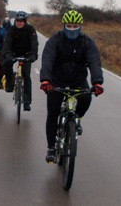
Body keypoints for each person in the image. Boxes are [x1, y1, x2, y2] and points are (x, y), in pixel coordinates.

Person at [39, 9, 104, 163]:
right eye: (69, 26)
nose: (72, 29)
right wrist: (45, 80)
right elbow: (47, 59)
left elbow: (94, 62)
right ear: (64, 26)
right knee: (53, 112)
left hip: (77, 79)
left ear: (80, 27)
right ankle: (51, 148)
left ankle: (77, 118)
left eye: (75, 26)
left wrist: (97, 82)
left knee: (86, 99)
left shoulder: (86, 42)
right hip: (57, 80)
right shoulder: (56, 40)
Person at [0, 11, 39, 111]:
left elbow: (34, 43)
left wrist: (33, 55)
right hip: (14, 52)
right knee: (6, 64)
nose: (19, 23)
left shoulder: (31, 29)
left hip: (27, 53)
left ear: (25, 21)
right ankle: (10, 83)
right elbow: (7, 43)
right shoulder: (12, 30)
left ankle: (27, 102)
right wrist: (6, 54)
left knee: (26, 76)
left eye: (21, 21)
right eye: (17, 21)